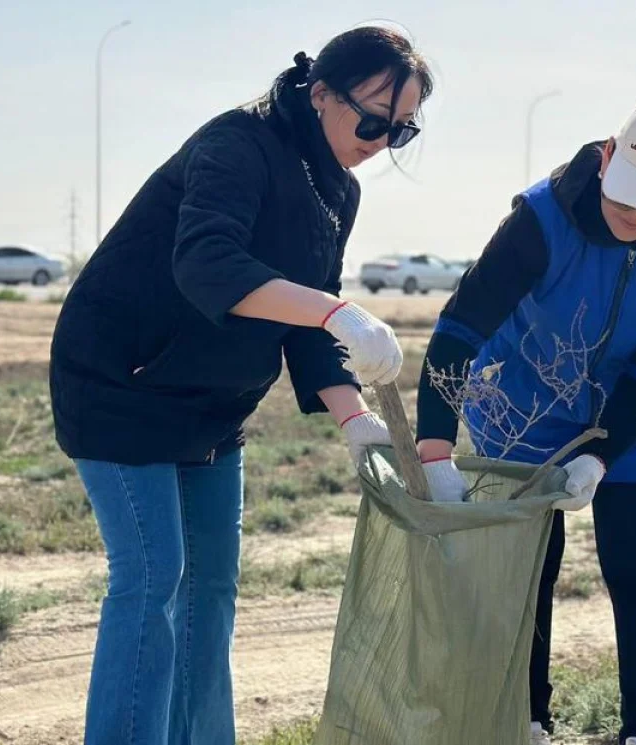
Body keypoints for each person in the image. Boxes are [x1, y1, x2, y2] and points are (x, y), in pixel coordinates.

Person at [49, 27, 433, 745]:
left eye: (400, 131)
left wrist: (354, 419)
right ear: (320, 92)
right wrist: (338, 310)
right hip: (120, 382)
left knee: (213, 587)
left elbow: (308, 316)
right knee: (152, 575)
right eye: (373, 119)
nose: (380, 141)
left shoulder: (337, 190)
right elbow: (209, 266)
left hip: (213, 402)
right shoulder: (238, 144)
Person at [415, 98, 636, 745]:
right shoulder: (540, 218)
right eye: (628, 199)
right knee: (525, 570)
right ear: (608, 157)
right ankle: (526, 719)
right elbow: (458, 329)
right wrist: (435, 450)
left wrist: (601, 455)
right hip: (523, 406)